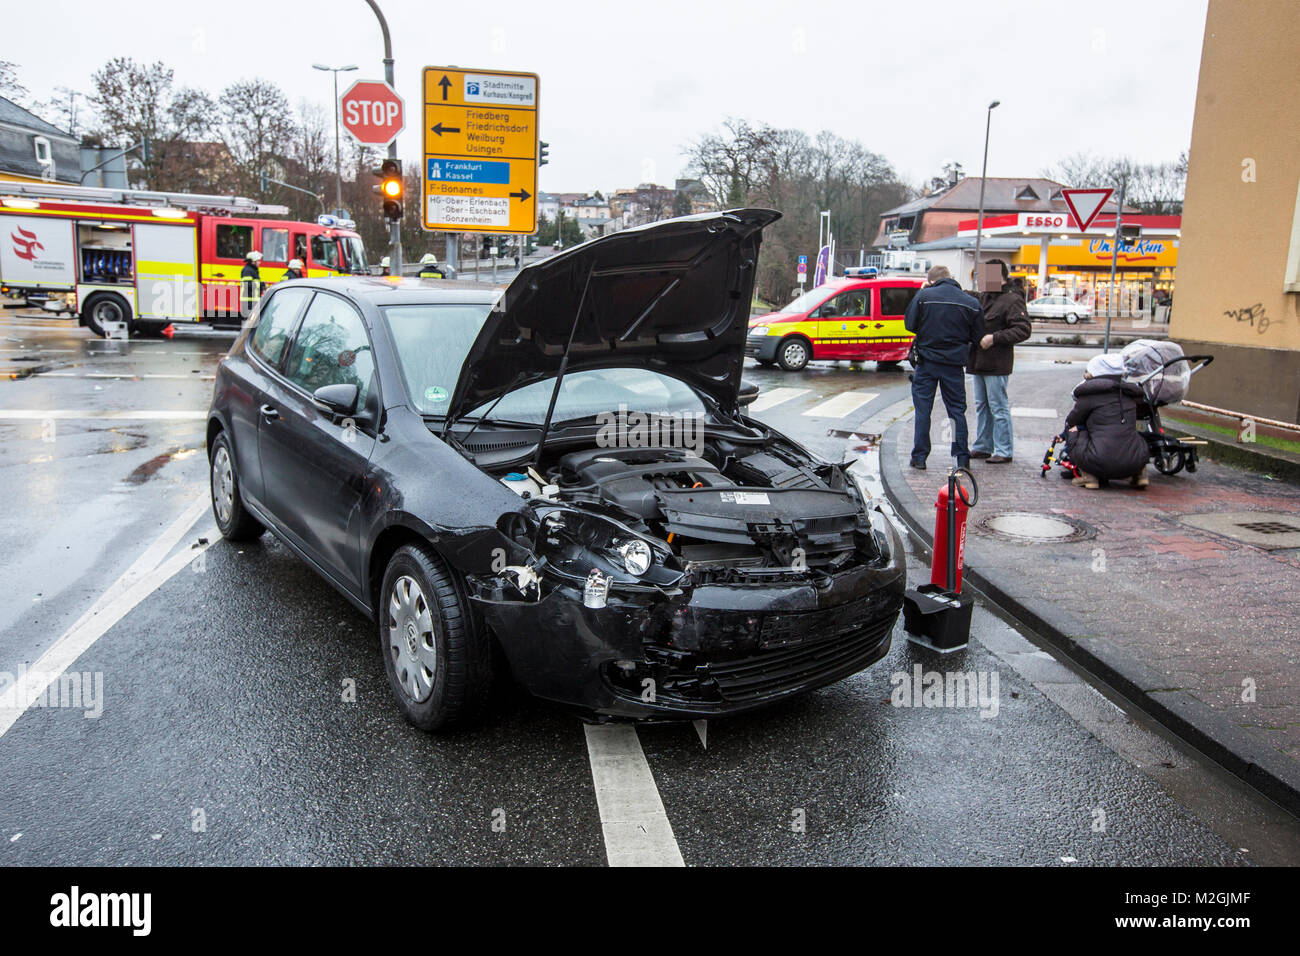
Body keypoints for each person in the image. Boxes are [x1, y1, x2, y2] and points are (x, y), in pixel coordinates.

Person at [903, 264, 985, 471]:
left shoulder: (923, 297)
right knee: (956, 412)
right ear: (951, 277)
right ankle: (961, 457)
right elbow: (977, 336)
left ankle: (920, 457)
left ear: (931, 281)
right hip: (954, 365)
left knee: (923, 411)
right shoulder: (971, 302)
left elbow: (910, 325)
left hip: (927, 363)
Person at [969, 259, 1031, 464]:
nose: (982, 281)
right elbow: (973, 298)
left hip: (996, 362)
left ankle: (1004, 450)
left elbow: (1022, 329)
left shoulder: (1011, 300)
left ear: (1000, 278)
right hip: (979, 360)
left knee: (998, 406)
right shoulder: (987, 296)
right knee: (982, 405)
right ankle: (983, 446)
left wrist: (994, 338)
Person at [1063, 354, 1150, 490]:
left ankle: (1089, 477)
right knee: (1130, 432)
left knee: (1073, 430)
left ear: (1095, 373)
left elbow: (1072, 420)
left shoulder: (1089, 395)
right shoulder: (1130, 394)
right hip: (1135, 461)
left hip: (1099, 461)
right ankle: (1141, 475)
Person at [239, 251, 263, 319]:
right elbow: (248, 285)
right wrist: (260, 284)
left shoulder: (253, 270)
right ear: (252, 262)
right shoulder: (247, 270)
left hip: (252, 300)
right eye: (258, 261)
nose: (259, 262)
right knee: (249, 323)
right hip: (248, 301)